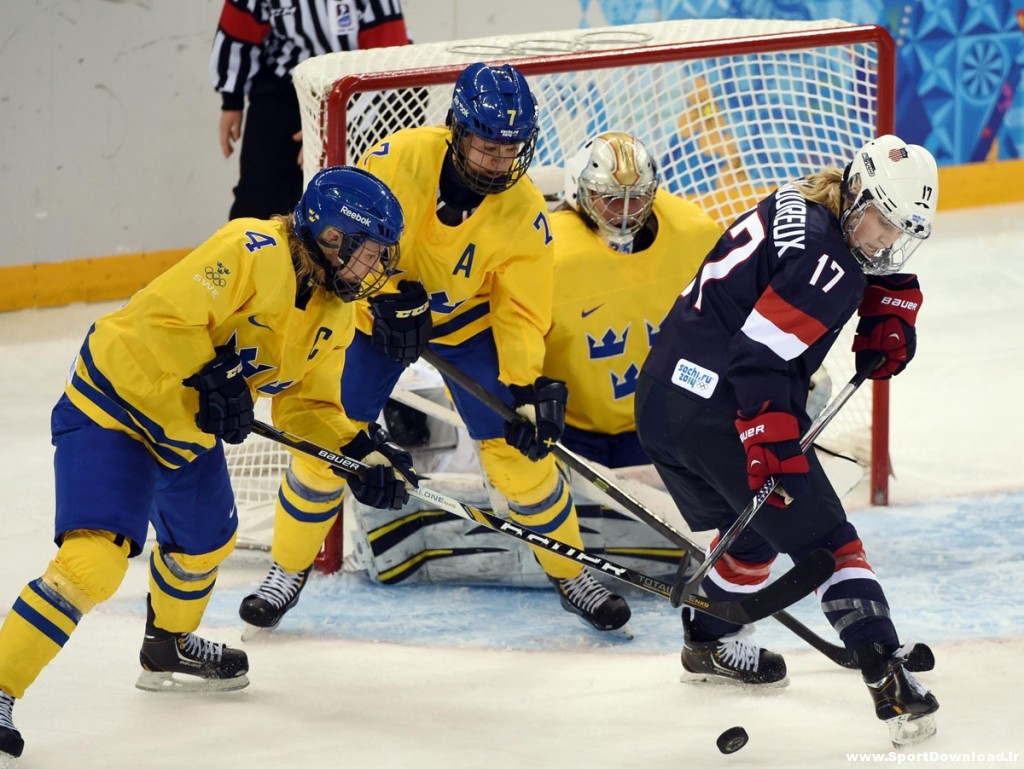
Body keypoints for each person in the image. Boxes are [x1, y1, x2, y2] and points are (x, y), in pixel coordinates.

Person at [0, 166, 415, 765]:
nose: (373, 268)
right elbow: (162, 319)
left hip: (186, 434)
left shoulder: (334, 312)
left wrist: (357, 453)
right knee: (92, 564)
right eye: (367, 252)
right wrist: (212, 371)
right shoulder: (249, 249)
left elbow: (308, 405)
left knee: (206, 544)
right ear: (329, 239)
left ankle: (166, 647)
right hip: (115, 410)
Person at [238, 62, 633, 636]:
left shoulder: (523, 210)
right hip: (373, 316)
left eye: (511, 149)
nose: (499, 161)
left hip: (467, 325)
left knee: (520, 456)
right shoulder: (398, 159)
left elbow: (520, 309)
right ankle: (286, 569)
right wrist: (389, 296)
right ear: (456, 130)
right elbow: (347, 247)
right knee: (327, 440)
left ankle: (572, 574)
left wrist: (524, 385)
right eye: (485, 146)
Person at [635, 134, 940, 746]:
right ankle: (888, 677)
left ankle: (708, 641)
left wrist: (881, 297)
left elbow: (797, 274)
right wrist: (770, 444)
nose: (884, 239)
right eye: (881, 220)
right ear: (855, 195)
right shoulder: (830, 263)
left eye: (897, 229)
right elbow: (760, 356)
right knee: (829, 541)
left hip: (664, 400)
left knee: (754, 539)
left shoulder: (803, 201)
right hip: (724, 408)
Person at [543, 131, 722, 469]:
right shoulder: (549, 252)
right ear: (577, 192)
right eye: (609, 198)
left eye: (637, 197)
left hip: (660, 424)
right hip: (567, 427)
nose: (624, 211)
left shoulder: (695, 232)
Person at [211, 0, 411, 220]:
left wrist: (334, 124)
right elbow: (239, 27)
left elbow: (389, 67)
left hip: (362, 91)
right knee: (259, 196)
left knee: (359, 197)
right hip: (287, 85)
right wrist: (232, 100)